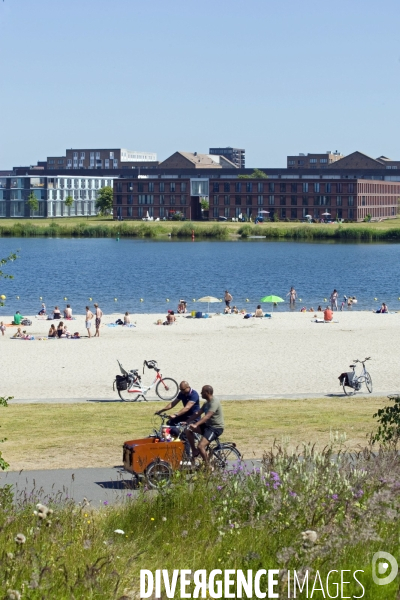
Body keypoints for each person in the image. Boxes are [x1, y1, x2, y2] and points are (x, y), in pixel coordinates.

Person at [187, 385, 224, 464]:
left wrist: (196, 424)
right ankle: (194, 451)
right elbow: (198, 413)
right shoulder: (206, 403)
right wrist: (187, 421)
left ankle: (208, 466)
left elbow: (207, 416)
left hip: (215, 428)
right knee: (188, 429)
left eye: (202, 392)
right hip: (208, 426)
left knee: (201, 446)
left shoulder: (214, 402)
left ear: (207, 393)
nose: (201, 393)